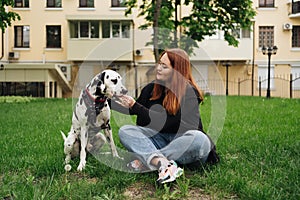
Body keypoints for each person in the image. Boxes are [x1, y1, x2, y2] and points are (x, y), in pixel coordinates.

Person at [112, 48, 219, 184]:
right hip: (160, 140)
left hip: (183, 143)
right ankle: (163, 163)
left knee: (200, 139)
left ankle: (148, 159)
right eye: (159, 63)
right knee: (126, 131)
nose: (158, 68)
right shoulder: (151, 88)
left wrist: (136, 107)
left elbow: (171, 122)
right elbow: (132, 109)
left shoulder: (189, 92)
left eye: (164, 66)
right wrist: (105, 101)